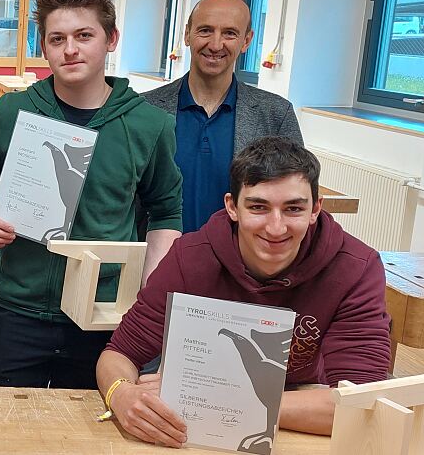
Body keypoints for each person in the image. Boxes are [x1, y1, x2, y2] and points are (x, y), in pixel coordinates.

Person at [96, 136, 391, 446]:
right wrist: (121, 394)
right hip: (199, 425)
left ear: (315, 209)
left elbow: (362, 401)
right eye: (258, 207)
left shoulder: (356, 267)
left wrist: (213, 399)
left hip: (298, 422)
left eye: (293, 208)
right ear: (232, 207)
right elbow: (119, 354)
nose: (276, 228)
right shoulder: (190, 257)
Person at [0, 0, 183, 389]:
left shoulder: (149, 124)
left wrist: (147, 285)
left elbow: (166, 209)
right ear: (43, 46)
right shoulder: (15, 110)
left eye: (85, 36)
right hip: (18, 306)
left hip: (100, 313)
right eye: (57, 39)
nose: (70, 50)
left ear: (110, 39)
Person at [143, 0, 302, 232]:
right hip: (157, 260)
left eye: (229, 33)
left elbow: (295, 200)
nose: (216, 45)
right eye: (205, 30)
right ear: (187, 34)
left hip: (240, 264)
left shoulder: (276, 115)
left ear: (246, 40)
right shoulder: (145, 109)